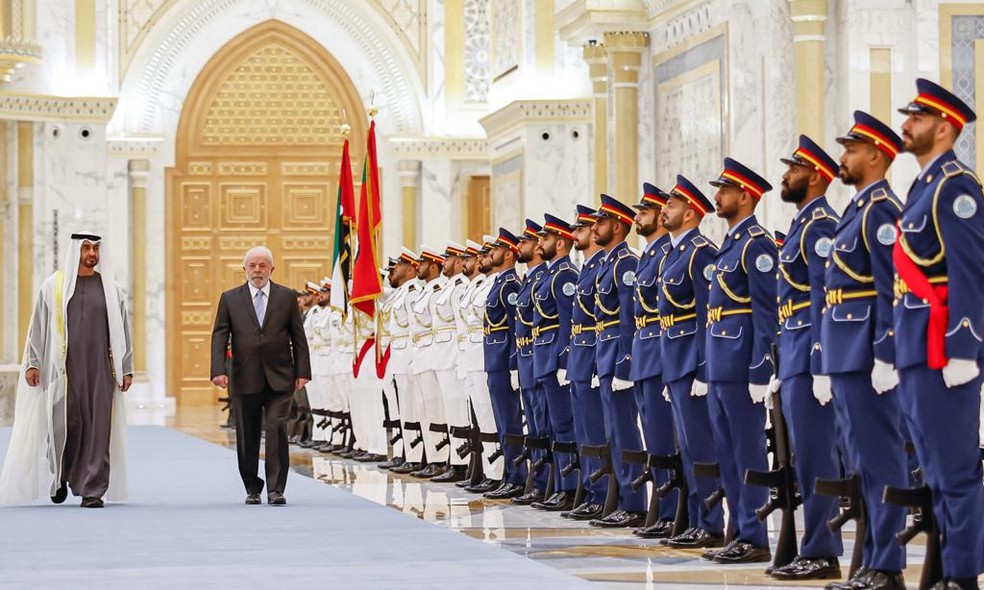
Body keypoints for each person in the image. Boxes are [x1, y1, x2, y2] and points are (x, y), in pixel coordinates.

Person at [895, 79, 984, 590]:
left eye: (917, 119)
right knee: (932, 470)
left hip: (942, 349)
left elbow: (970, 270)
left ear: (944, 128)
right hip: (914, 345)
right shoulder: (923, 187)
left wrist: (963, 346)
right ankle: (946, 570)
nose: (907, 125)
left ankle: (963, 575)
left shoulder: (956, 187)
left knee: (955, 472)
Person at [822, 111, 908, 590]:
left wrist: (885, 352)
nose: (843, 157)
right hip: (844, 348)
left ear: (876, 155)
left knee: (882, 459)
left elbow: (891, 286)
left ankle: (889, 565)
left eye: (851, 150)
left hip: (865, 348)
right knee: (862, 462)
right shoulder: (857, 209)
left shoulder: (881, 210)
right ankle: (872, 561)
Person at [0, 232, 133, 508]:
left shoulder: (111, 288)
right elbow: (37, 326)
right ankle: (61, 474)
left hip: (100, 370)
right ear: (76, 251)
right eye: (86, 248)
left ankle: (92, 490)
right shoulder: (53, 286)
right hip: (61, 369)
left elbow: (123, 331)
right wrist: (33, 362)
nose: (92, 254)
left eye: (95, 248)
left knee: (98, 427)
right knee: (63, 425)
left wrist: (126, 367)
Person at [768, 136, 844, 580]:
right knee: (803, 457)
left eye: (793, 169)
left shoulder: (819, 225)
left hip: (809, 352)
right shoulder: (802, 224)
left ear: (815, 175)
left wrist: (819, 359)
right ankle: (811, 545)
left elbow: (823, 297)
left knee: (817, 456)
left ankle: (822, 550)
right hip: (793, 352)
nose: (785, 175)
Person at [703, 158, 777, 563]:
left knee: (748, 453)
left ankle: (755, 534)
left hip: (741, 366)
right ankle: (738, 529)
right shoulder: (730, 244)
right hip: (719, 364)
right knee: (727, 452)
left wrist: (760, 370)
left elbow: (766, 314)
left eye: (725, 191)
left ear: (744, 196)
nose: (718, 196)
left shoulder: (757, 244)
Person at [210, 245, 311, 505]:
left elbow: (298, 337)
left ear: (271, 269)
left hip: (280, 375)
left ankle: (276, 488)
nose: (257, 270)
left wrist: (303, 371)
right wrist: (218, 370)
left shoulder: (286, 296)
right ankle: (252, 487)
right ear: (245, 269)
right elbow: (220, 335)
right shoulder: (230, 298)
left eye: (262, 265)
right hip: (245, 375)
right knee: (247, 433)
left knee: (277, 427)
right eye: (252, 266)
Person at [654, 176, 724, 548]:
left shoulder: (700, 253)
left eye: (673, 204)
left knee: (700, 446)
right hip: (673, 359)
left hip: (690, 362)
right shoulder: (673, 253)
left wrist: (702, 367)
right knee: (687, 448)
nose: (665, 209)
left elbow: (705, 315)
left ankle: (711, 524)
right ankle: (695, 519)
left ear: (692, 211)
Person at [589, 194, 647, 528]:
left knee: (625, 432)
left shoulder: (625, 263)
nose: (595, 227)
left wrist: (625, 362)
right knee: (613, 433)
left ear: (618, 226)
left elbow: (628, 317)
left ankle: (635, 502)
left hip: (618, 355)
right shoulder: (607, 263)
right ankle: (623, 498)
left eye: (601, 221)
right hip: (604, 353)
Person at [627, 183, 679, 537]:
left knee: (665, 438)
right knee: (655, 438)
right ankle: (661, 507)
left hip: (661, 350)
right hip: (645, 351)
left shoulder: (665, 255)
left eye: (644, 213)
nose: (638, 218)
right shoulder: (649, 255)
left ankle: (672, 510)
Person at [560, 205, 609, 520]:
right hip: (581, 355)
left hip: (594, 355)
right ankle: (592, 491)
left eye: (580, 228)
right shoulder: (589, 269)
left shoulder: (607, 266)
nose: (576, 234)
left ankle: (604, 493)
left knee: (598, 432)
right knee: (584, 431)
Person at [528, 214, 579, 512]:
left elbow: (567, 323)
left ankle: (569, 487)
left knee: (563, 425)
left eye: (545, 239)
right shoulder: (549, 275)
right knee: (552, 426)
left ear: (560, 243)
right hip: (542, 357)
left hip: (554, 358)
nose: (540, 243)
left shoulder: (564, 276)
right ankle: (559, 485)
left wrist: (563, 361)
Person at [482, 229, 528, 500]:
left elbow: (514, 328)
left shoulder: (510, 284)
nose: (491, 254)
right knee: (502, 420)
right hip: (493, 359)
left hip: (503, 360)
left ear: (509, 254)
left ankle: (517, 476)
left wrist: (513, 365)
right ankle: (509, 474)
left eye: (497, 249)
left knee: (510, 421)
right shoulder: (500, 283)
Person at [511, 220, 551, 505]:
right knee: (535, 426)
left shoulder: (548, 278)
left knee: (548, 425)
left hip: (541, 358)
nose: (520, 247)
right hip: (528, 357)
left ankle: (550, 482)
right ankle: (538, 481)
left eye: (526, 242)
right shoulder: (530, 280)